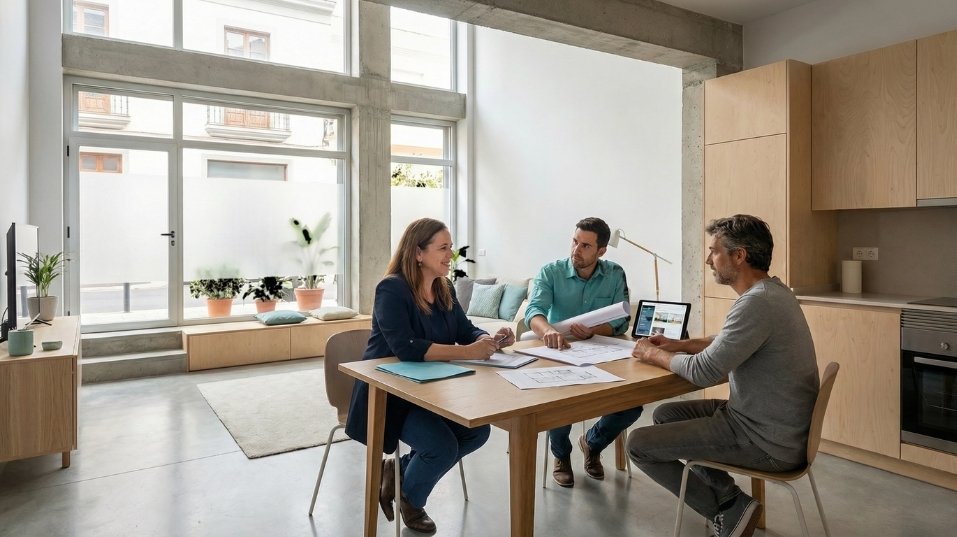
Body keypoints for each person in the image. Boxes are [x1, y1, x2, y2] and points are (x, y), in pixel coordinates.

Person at [627, 214, 820, 537]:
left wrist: (654, 353)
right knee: (666, 414)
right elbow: (729, 339)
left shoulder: (757, 304)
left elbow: (703, 372)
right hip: (772, 424)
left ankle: (727, 511)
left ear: (739, 255)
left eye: (714, 251)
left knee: (638, 444)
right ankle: (731, 498)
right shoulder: (772, 293)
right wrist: (683, 344)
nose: (707, 259)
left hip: (766, 441)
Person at [344, 218, 514, 535]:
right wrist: (467, 352)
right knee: (442, 447)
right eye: (444, 248)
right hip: (390, 394)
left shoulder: (444, 287)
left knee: (477, 432)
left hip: (433, 389)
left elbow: (465, 331)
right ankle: (411, 498)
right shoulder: (391, 288)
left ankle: (399, 472)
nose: (451, 254)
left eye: (450, 247)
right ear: (418, 252)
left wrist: (489, 339)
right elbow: (406, 347)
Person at [524, 216, 642, 487]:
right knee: (560, 402)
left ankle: (592, 443)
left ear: (601, 251)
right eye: (575, 242)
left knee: (632, 405)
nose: (576, 250)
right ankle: (561, 456)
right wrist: (548, 331)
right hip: (560, 350)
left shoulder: (614, 274)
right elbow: (535, 311)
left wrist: (596, 331)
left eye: (586, 246)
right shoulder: (551, 272)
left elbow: (621, 321)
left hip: (603, 350)